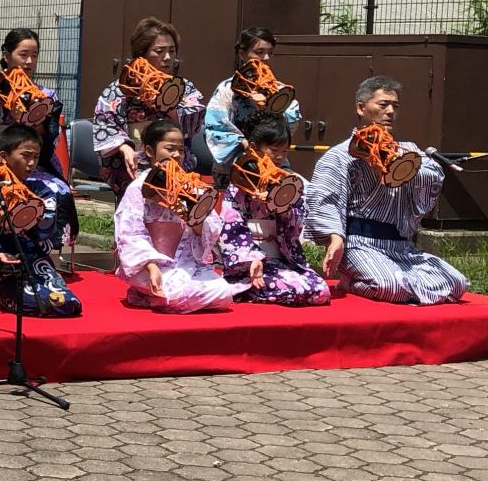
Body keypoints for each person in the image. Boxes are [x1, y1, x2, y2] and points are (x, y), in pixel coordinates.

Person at [304, 76, 468, 305]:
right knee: (390, 286)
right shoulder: (339, 156)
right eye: (383, 105)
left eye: (395, 106)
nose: (390, 111)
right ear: (361, 108)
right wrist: (335, 237)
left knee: (457, 282)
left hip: (400, 245)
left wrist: (398, 164)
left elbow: (433, 178)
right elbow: (325, 199)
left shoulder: (407, 150)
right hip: (359, 244)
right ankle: (350, 282)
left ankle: (405, 284)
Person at [113, 120, 247, 314]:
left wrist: (195, 220)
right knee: (180, 293)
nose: (176, 155)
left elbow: (211, 228)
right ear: (150, 151)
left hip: (186, 264)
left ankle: (152, 297)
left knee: (223, 292)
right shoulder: (138, 189)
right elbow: (130, 234)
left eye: (181, 150)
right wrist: (151, 266)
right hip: (150, 266)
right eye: (170, 149)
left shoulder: (191, 186)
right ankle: (150, 293)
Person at [216, 114, 329, 306]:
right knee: (292, 289)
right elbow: (231, 227)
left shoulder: (288, 182)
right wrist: (252, 259)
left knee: (320, 290)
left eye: (284, 151)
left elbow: (298, 222)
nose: (279, 157)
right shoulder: (239, 186)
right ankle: (248, 287)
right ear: (254, 148)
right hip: (249, 262)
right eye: (274, 150)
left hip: (280, 257)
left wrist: (284, 209)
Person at [0, 124, 81, 317]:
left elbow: (46, 230)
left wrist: (26, 213)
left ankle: (13, 299)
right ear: (4, 156)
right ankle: (2, 297)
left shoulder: (42, 188)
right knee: (38, 304)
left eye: (35, 157)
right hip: (5, 265)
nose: (31, 163)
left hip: (35, 259)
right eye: (26, 156)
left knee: (69, 304)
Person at [92, 17, 207, 196]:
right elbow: (105, 125)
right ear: (142, 54)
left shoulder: (182, 87)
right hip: (134, 167)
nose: (167, 58)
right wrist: (124, 147)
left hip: (174, 166)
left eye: (172, 51)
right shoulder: (119, 90)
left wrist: (168, 104)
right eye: (159, 51)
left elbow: (195, 118)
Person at [0, 28, 68, 182]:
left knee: (58, 191)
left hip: (36, 165)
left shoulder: (46, 97)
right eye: (23, 55)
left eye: (34, 55)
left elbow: (51, 139)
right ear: (7, 56)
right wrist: (7, 159)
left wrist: (32, 120)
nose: (29, 61)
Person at [203, 27, 303, 167]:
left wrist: (269, 107)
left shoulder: (280, 89)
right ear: (242, 54)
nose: (266, 58)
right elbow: (215, 126)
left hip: (274, 161)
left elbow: (291, 126)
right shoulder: (226, 89)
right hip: (237, 164)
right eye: (259, 52)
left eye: (270, 53)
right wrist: (249, 146)